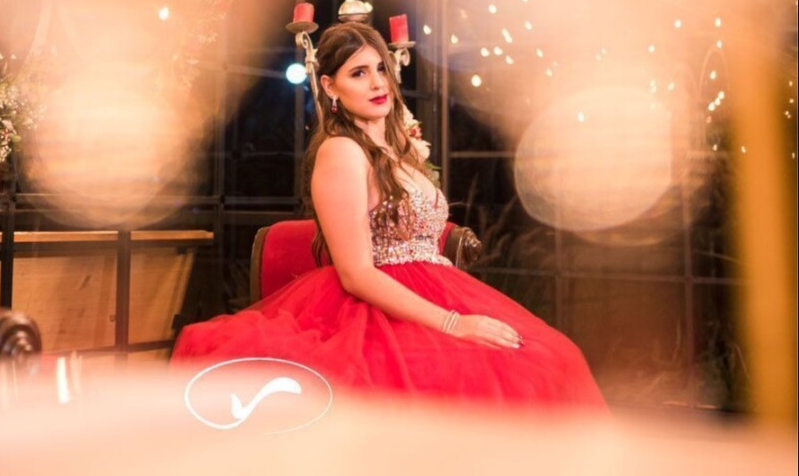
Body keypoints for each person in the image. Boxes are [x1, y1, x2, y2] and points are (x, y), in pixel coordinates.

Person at [173, 22, 606, 406]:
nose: (378, 82)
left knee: (553, 356)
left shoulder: (397, 150)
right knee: (494, 375)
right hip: (377, 306)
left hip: (437, 287)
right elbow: (356, 273)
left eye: (381, 68)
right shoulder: (341, 151)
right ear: (329, 86)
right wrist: (453, 323)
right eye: (358, 73)